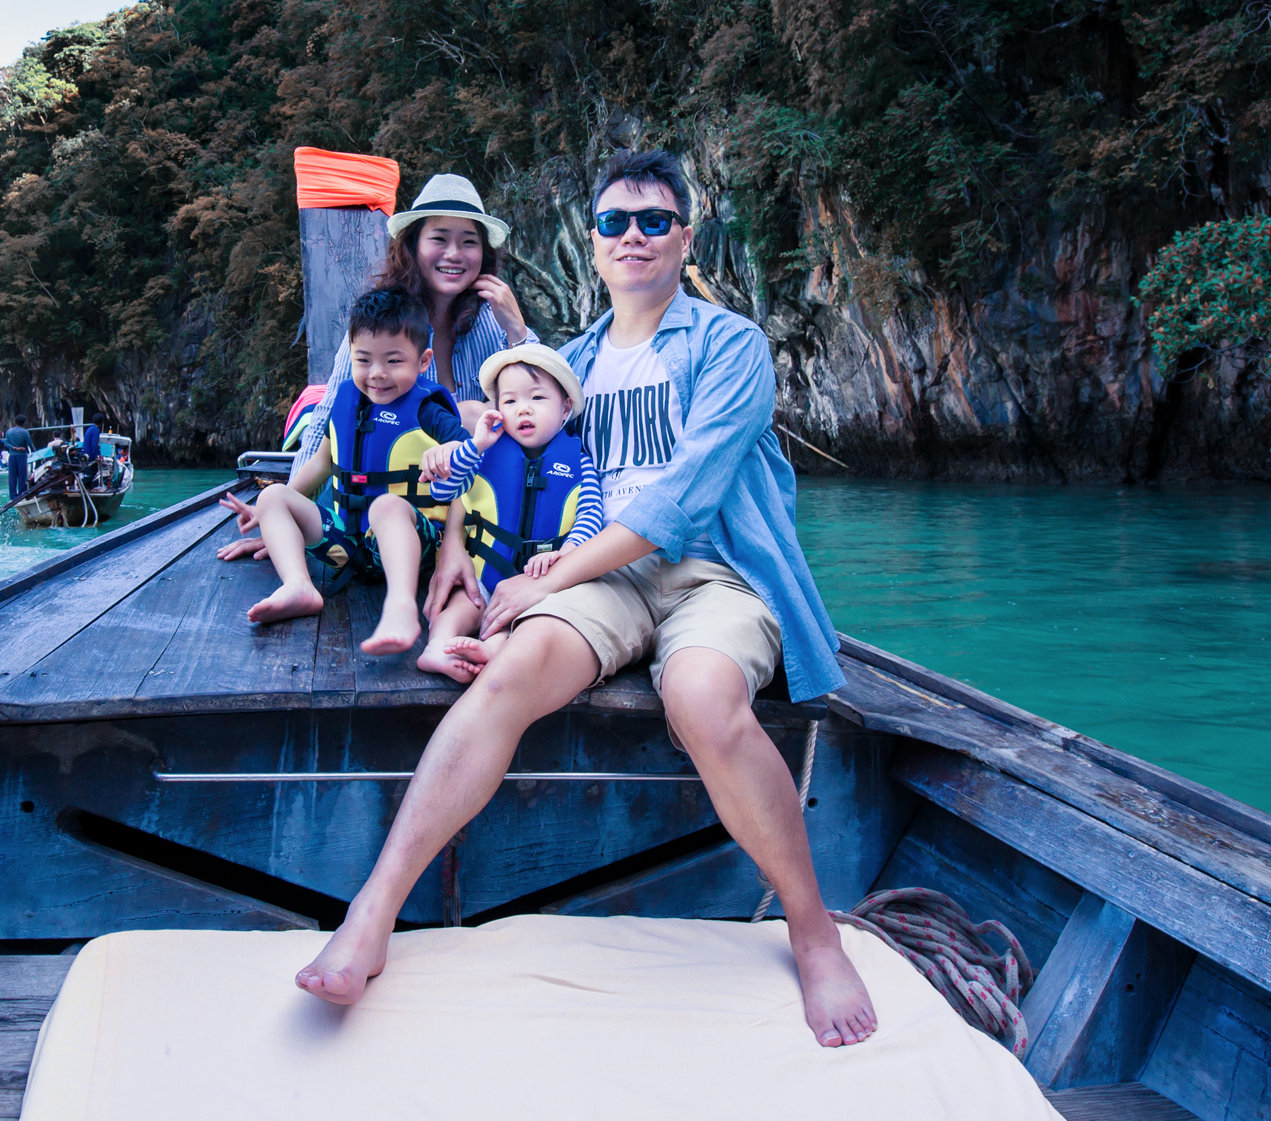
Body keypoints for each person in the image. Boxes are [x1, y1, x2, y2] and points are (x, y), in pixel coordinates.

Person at [292, 150, 879, 1049]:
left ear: (685, 237)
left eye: (653, 220)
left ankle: (812, 930)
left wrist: (549, 578)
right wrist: (459, 550)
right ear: (595, 247)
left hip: (716, 571)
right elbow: (487, 466)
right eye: (614, 222)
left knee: (700, 696)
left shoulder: (730, 345)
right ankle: (372, 915)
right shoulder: (564, 365)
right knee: (508, 673)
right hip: (598, 577)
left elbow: (683, 499)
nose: (632, 235)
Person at [217, 173, 531, 570]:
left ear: (483, 255)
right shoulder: (379, 323)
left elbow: (542, 407)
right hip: (375, 521)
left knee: (472, 411)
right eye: (439, 238)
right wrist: (282, 522)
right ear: (413, 244)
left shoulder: (491, 321)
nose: (454, 253)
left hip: (460, 512)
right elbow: (325, 428)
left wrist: (518, 331)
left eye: (469, 241)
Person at [243, 288, 465, 654]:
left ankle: (401, 606)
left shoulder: (427, 409)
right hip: (348, 547)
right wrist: (268, 515)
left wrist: (449, 452)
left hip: (414, 549)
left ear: (423, 361)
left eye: (393, 361)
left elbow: (466, 450)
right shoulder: (345, 401)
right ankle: (298, 585)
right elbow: (321, 463)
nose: (377, 374)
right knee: (272, 495)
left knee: (386, 506)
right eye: (364, 360)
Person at [411, 345, 603, 683]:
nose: (523, 409)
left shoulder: (579, 462)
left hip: (539, 585)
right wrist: (472, 447)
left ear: (565, 408)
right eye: (510, 402)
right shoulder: (483, 453)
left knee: (534, 622)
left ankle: (490, 650)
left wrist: (565, 555)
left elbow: (590, 517)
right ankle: (438, 646)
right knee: (460, 605)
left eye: (538, 399)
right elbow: (444, 492)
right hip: (484, 578)